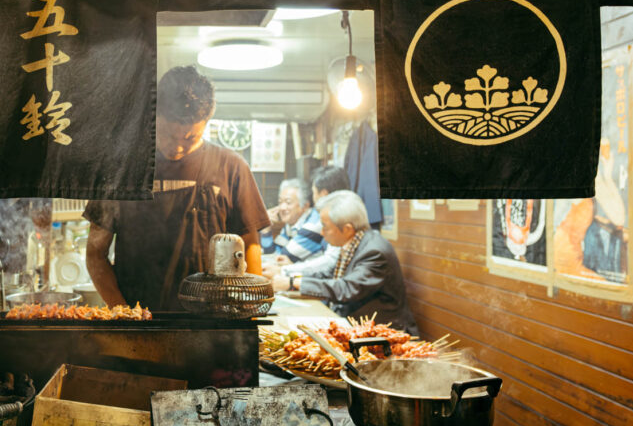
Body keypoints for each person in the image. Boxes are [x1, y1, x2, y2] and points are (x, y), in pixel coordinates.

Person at [84, 66, 270, 311]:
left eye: (190, 138)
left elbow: (250, 245)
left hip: (213, 326)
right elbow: (95, 253)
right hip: (139, 323)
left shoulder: (232, 167)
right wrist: (124, 313)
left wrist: (251, 311)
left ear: (207, 122)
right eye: (168, 135)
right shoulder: (122, 168)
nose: (178, 148)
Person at [273, 190, 418, 335]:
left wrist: (293, 283)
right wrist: (290, 278)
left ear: (347, 229)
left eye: (325, 227)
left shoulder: (374, 251)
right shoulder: (355, 242)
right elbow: (328, 273)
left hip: (386, 336)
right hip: (356, 326)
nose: (322, 233)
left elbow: (347, 288)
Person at [261, 178, 327, 264]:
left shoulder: (313, 223)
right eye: (280, 202)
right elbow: (272, 254)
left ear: (305, 206)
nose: (282, 207)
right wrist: (266, 228)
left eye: (288, 202)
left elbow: (283, 257)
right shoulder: (291, 224)